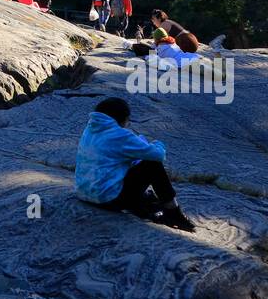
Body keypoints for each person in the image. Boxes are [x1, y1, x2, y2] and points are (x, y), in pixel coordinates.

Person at [74, 97, 195, 232]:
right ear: (122, 118)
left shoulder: (90, 130)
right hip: (107, 199)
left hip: (84, 193)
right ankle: (173, 212)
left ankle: (140, 205)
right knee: (152, 164)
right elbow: (158, 155)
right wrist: (157, 143)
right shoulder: (120, 134)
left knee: (137, 176)